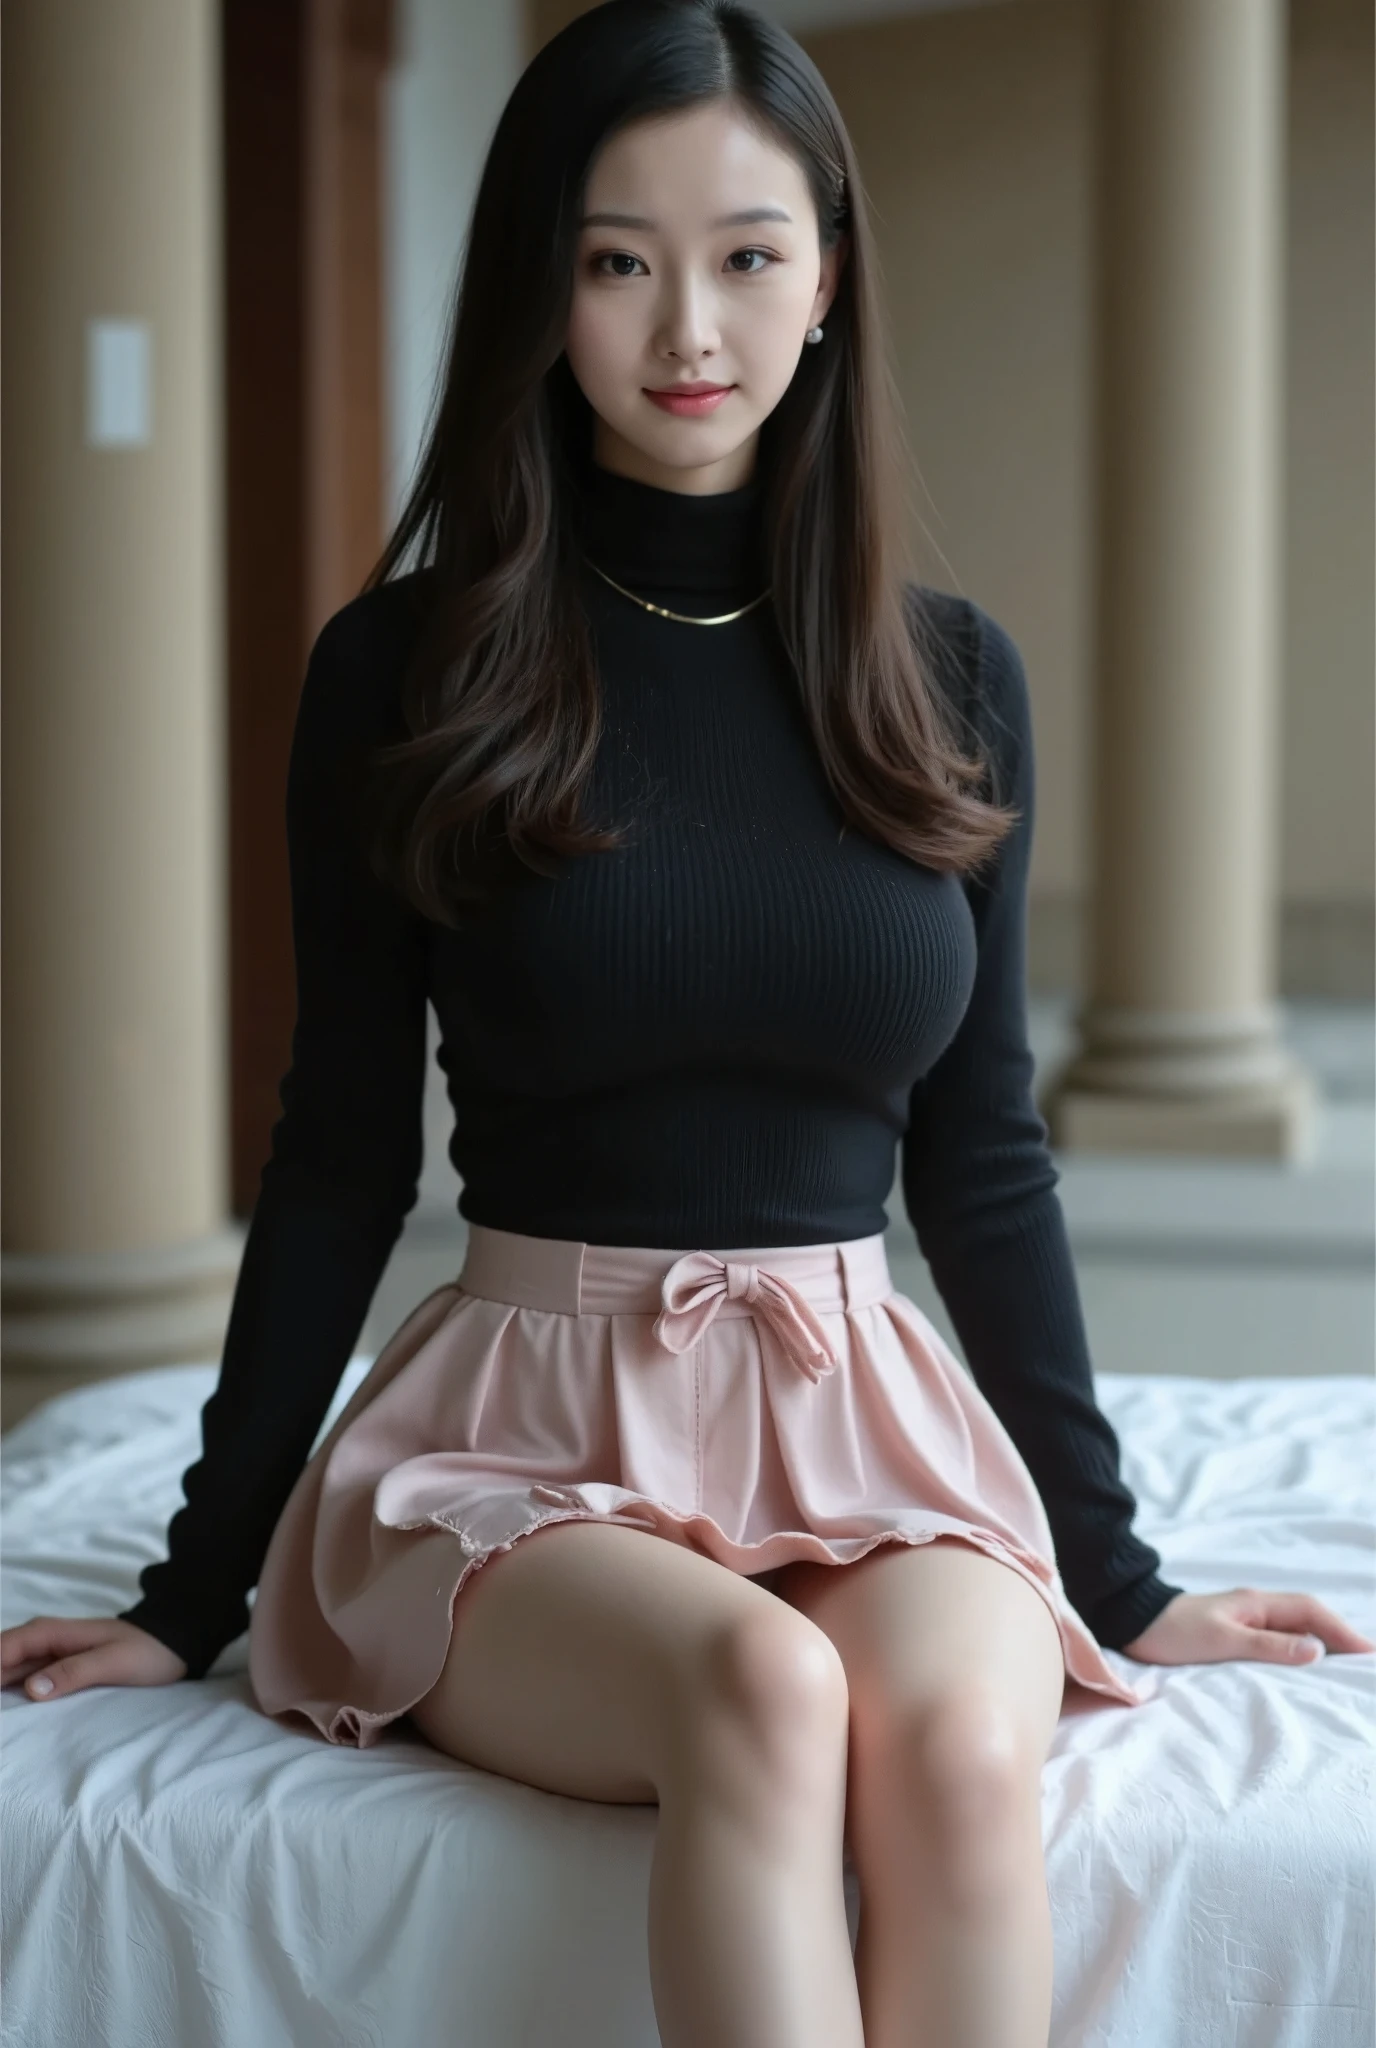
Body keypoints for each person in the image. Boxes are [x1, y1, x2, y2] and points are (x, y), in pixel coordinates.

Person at [5, 4, 1371, 2043]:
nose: (686, 323)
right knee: (762, 1688)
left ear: (827, 276)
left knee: (961, 1752)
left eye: (745, 251)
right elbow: (337, 1148)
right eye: (616, 256)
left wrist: (1119, 1568)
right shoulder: (408, 668)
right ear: (541, 284)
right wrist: (187, 1596)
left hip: (859, 1410)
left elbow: (982, 1154)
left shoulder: (950, 677)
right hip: (514, 1432)